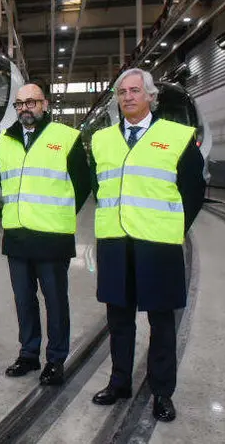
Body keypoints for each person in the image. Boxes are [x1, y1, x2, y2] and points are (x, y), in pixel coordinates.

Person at [89, 68, 205, 423]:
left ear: (151, 96)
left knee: (161, 321)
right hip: (115, 243)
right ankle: (119, 382)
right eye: (122, 92)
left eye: (135, 91)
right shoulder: (101, 140)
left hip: (158, 245)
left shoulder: (178, 136)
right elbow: (99, 186)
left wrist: (173, 226)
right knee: (119, 319)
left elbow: (193, 191)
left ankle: (162, 392)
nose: (128, 97)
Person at [0, 83, 92, 383]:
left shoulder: (66, 137)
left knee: (55, 301)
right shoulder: (5, 141)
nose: (25, 108)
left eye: (32, 102)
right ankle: (28, 354)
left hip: (52, 237)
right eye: (20, 104)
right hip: (17, 235)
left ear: (45, 105)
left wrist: (59, 214)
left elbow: (82, 183)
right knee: (23, 300)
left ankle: (56, 359)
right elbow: (7, 181)